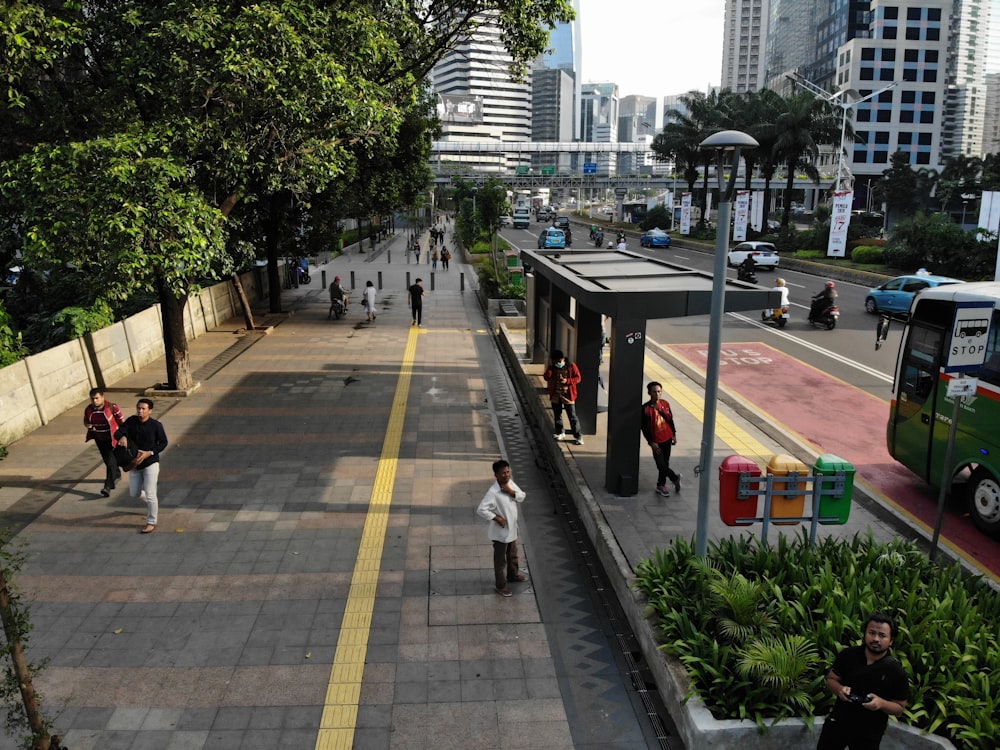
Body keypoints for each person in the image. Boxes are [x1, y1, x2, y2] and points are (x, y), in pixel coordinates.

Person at [817, 613, 910, 750]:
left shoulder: (896, 671)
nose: (876, 639)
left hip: (869, 732)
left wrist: (881, 703)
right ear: (865, 634)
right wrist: (839, 690)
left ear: (890, 641)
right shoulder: (848, 656)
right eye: (872, 633)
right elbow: (831, 680)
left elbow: (899, 709)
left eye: (882, 635)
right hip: (838, 722)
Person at [114, 398, 168, 534]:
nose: (140, 411)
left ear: (150, 411)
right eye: (138, 408)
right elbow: (118, 432)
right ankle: (151, 502)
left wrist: (149, 453)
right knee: (134, 493)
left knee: (151, 493)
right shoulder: (131, 421)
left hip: (151, 462)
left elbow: (163, 443)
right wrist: (122, 437)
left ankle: (151, 521)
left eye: (143, 409)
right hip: (135, 463)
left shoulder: (156, 425)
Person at [475, 459, 528, 597]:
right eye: (503, 473)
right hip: (500, 533)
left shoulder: (509, 484)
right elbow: (481, 509)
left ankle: (513, 575)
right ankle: (501, 585)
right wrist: (496, 518)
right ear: (496, 475)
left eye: (508, 472)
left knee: (513, 555)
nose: (507, 475)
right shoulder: (493, 492)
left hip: (512, 529)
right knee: (500, 561)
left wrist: (511, 492)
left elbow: (521, 496)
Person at [640, 381, 682, 497]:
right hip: (656, 442)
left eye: (659, 391)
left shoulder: (665, 404)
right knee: (661, 465)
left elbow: (670, 420)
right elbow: (644, 428)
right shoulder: (645, 409)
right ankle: (674, 478)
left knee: (665, 463)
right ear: (649, 393)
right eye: (654, 392)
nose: (657, 394)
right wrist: (651, 442)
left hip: (667, 438)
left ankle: (661, 485)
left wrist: (674, 434)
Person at [84, 387, 125, 497]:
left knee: (110, 462)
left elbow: (122, 421)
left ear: (102, 397)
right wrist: (88, 425)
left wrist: (124, 435)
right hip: (100, 439)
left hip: (113, 439)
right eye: (92, 399)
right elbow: (86, 420)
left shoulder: (112, 407)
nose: (95, 401)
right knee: (109, 461)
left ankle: (107, 486)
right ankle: (116, 473)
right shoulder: (89, 409)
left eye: (97, 398)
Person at [543, 350, 583, 445]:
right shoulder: (552, 368)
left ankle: (578, 435)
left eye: (559, 361)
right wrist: (550, 367)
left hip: (568, 395)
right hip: (556, 396)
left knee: (572, 416)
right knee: (557, 415)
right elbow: (546, 377)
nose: (558, 364)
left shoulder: (571, 366)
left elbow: (578, 378)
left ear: (563, 359)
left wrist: (567, 381)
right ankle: (560, 432)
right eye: (556, 362)